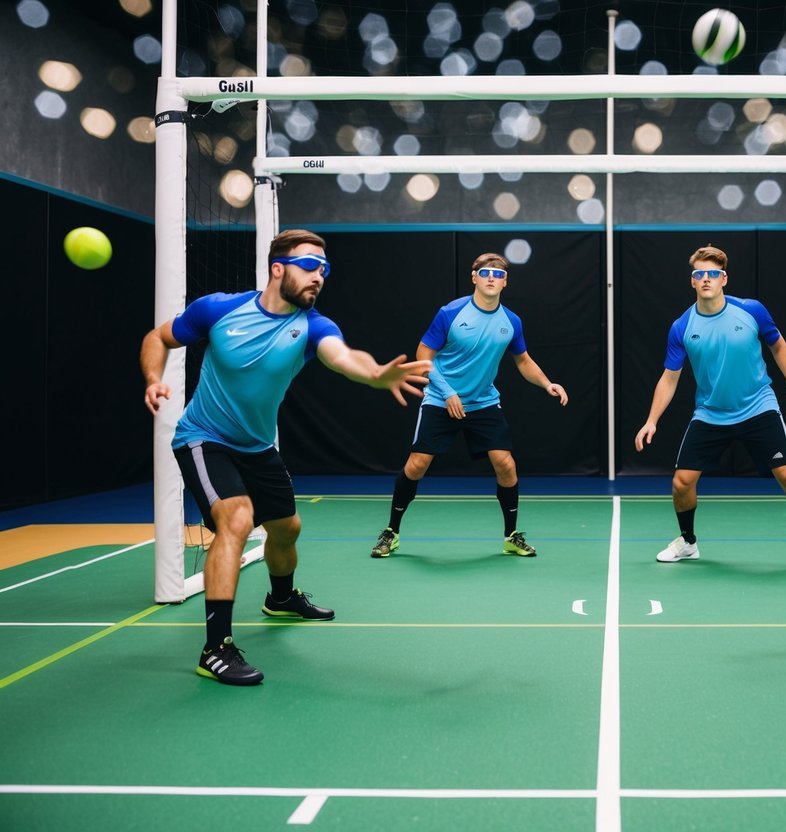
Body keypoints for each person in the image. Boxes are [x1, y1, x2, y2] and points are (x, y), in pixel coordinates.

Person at [142, 229, 431, 686]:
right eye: (310, 266)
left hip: (257, 445)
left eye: (325, 269)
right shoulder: (219, 309)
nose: (320, 276)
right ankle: (215, 648)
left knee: (287, 529)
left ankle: (280, 599)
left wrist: (376, 374)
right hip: (204, 437)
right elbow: (158, 338)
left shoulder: (313, 325)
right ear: (278, 268)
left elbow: (344, 357)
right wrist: (154, 378)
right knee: (236, 519)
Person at [634, 245, 786, 572]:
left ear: (724, 278)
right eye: (698, 274)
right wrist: (651, 421)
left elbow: (778, 346)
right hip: (711, 413)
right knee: (682, 482)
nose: (705, 279)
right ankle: (688, 543)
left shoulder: (751, 310)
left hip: (759, 406)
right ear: (692, 282)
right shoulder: (682, 327)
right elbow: (669, 379)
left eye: (712, 274)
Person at [369, 252, 567, 560]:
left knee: (506, 464)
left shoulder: (511, 321)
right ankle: (391, 532)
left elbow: (523, 361)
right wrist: (447, 392)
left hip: (483, 402)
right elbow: (423, 356)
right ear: (474, 277)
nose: (491, 277)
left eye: (498, 274)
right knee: (417, 465)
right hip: (440, 398)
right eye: (485, 272)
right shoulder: (450, 313)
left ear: (505, 282)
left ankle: (511, 536)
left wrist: (547, 383)